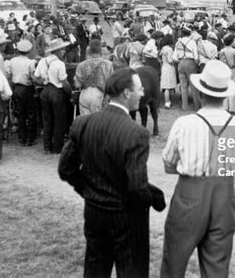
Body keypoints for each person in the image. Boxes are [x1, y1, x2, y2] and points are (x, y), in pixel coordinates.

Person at [58, 67, 166, 278]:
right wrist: (151, 199)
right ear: (127, 93)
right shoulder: (136, 133)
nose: (143, 94)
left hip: (94, 212)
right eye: (140, 89)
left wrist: (89, 191)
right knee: (132, 270)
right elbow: (137, 187)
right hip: (127, 217)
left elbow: (65, 169)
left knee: (95, 268)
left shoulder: (84, 123)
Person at [161, 60, 235, 278]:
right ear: (225, 94)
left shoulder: (185, 123)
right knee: (217, 264)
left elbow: (169, 164)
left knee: (175, 258)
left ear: (200, 92)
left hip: (190, 193)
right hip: (224, 195)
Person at [34, 38, 71, 154]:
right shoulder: (60, 64)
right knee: (59, 120)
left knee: (47, 119)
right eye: (63, 49)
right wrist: (69, 92)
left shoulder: (42, 61)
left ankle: (47, 146)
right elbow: (64, 82)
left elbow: (35, 77)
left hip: (45, 91)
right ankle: (57, 147)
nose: (64, 51)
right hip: (57, 92)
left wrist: (44, 81)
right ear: (58, 51)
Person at [5, 40, 37, 146]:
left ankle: (22, 138)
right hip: (27, 88)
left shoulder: (12, 61)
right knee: (31, 113)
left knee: (20, 113)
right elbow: (33, 77)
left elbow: (8, 74)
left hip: (17, 88)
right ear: (29, 51)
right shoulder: (30, 62)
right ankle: (30, 138)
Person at [74, 39, 113, 115]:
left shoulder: (81, 65)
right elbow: (111, 85)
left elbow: (77, 84)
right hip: (99, 95)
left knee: (86, 122)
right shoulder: (108, 64)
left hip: (85, 94)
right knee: (98, 123)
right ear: (100, 51)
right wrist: (106, 99)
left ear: (89, 51)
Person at [172, 26, 200, 111]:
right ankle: (197, 106)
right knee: (194, 86)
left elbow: (174, 57)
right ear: (190, 34)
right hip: (190, 63)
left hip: (180, 63)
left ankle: (185, 106)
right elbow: (196, 56)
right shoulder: (192, 42)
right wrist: (196, 63)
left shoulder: (178, 43)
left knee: (183, 86)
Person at [218, 34, 235, 114]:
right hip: (232, 70)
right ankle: (233, 108)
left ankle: (225, 107)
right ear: (231, 42)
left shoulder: (221, 51)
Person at [159, 34, 176, 109]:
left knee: (165, 86)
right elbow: (170, 60)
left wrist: (161, 62)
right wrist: (174, 60)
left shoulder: (163, 48)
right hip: (169, 68)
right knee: (168, 87)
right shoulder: (169, 49)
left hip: (164, 67)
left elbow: (158, 56)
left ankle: (167, 102)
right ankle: (167, 102)